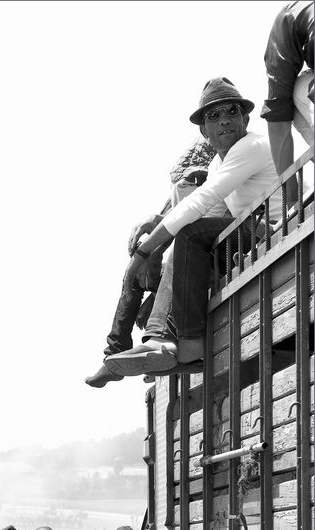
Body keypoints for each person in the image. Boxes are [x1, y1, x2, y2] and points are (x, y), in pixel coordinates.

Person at [97, 78, 283, 378]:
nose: (224, 120)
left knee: (189, 236)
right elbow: (203, 213)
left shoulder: (253, 146)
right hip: (246, 238)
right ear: (204, 130)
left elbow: (199, 204)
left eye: (232, 112)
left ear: (245, 119)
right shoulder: (217, 165)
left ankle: (176, 345)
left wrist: (146, 251)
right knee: (180, 246)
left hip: (273, 230)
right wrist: (154, 243)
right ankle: (134, 349)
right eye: (214, 115)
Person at [85, 138, 216, 388]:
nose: (189, 184)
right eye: (185, 180)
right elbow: (170, 223)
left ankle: (157, 348)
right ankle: (114, 353)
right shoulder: (182, 190)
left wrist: (152, 258)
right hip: (181, 262)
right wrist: (145, 254)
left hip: (205, 259)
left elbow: (188, 226)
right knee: (135, 274)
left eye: (195, 179)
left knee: (164, 260)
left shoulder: (217, 187)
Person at [261, 0, 314, 204]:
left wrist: (292, 205)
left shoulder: (290, 14)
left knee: (299, 88)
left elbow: (278, 121)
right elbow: (278, 113)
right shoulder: (296, 15)